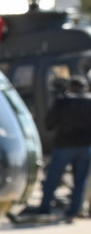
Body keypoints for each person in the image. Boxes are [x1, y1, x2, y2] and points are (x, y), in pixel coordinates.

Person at [21, 75, 91, 221]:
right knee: (80, 180)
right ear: (84, 87)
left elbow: (49, 123)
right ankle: (73, 212)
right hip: (85, 146)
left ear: (71, 87)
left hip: (64, 146)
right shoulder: (89, 101)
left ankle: (44, 208)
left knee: (53, 178)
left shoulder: (62, 102)